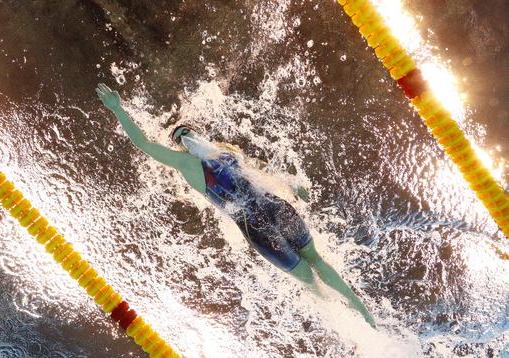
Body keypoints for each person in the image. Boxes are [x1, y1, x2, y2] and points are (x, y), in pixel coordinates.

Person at [96, 83, 375, 327]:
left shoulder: (226, 151)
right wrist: (118, 110)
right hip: (259, 226)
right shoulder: (189, 165)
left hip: (273, 209)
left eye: (185, 132)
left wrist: (292, 185)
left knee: (315, 260)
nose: (184, 138)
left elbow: (261, 172)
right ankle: (346, 317)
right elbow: (144, 144)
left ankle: (360, 310)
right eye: (180, 138)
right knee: (308, 275)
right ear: (180, 148)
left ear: (197, 134)